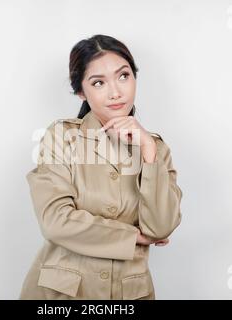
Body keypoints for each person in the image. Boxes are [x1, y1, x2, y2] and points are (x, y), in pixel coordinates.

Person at [19, 34, 183, 300]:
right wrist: (134, 237)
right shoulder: (61, 137)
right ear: (81, 91)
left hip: (130, 295)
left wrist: (148, 152)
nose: (116, 92)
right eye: (98, 82)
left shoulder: (156, 148)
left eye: (123, 76)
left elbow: (161, 227)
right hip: (62, 295)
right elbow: (56, 221)